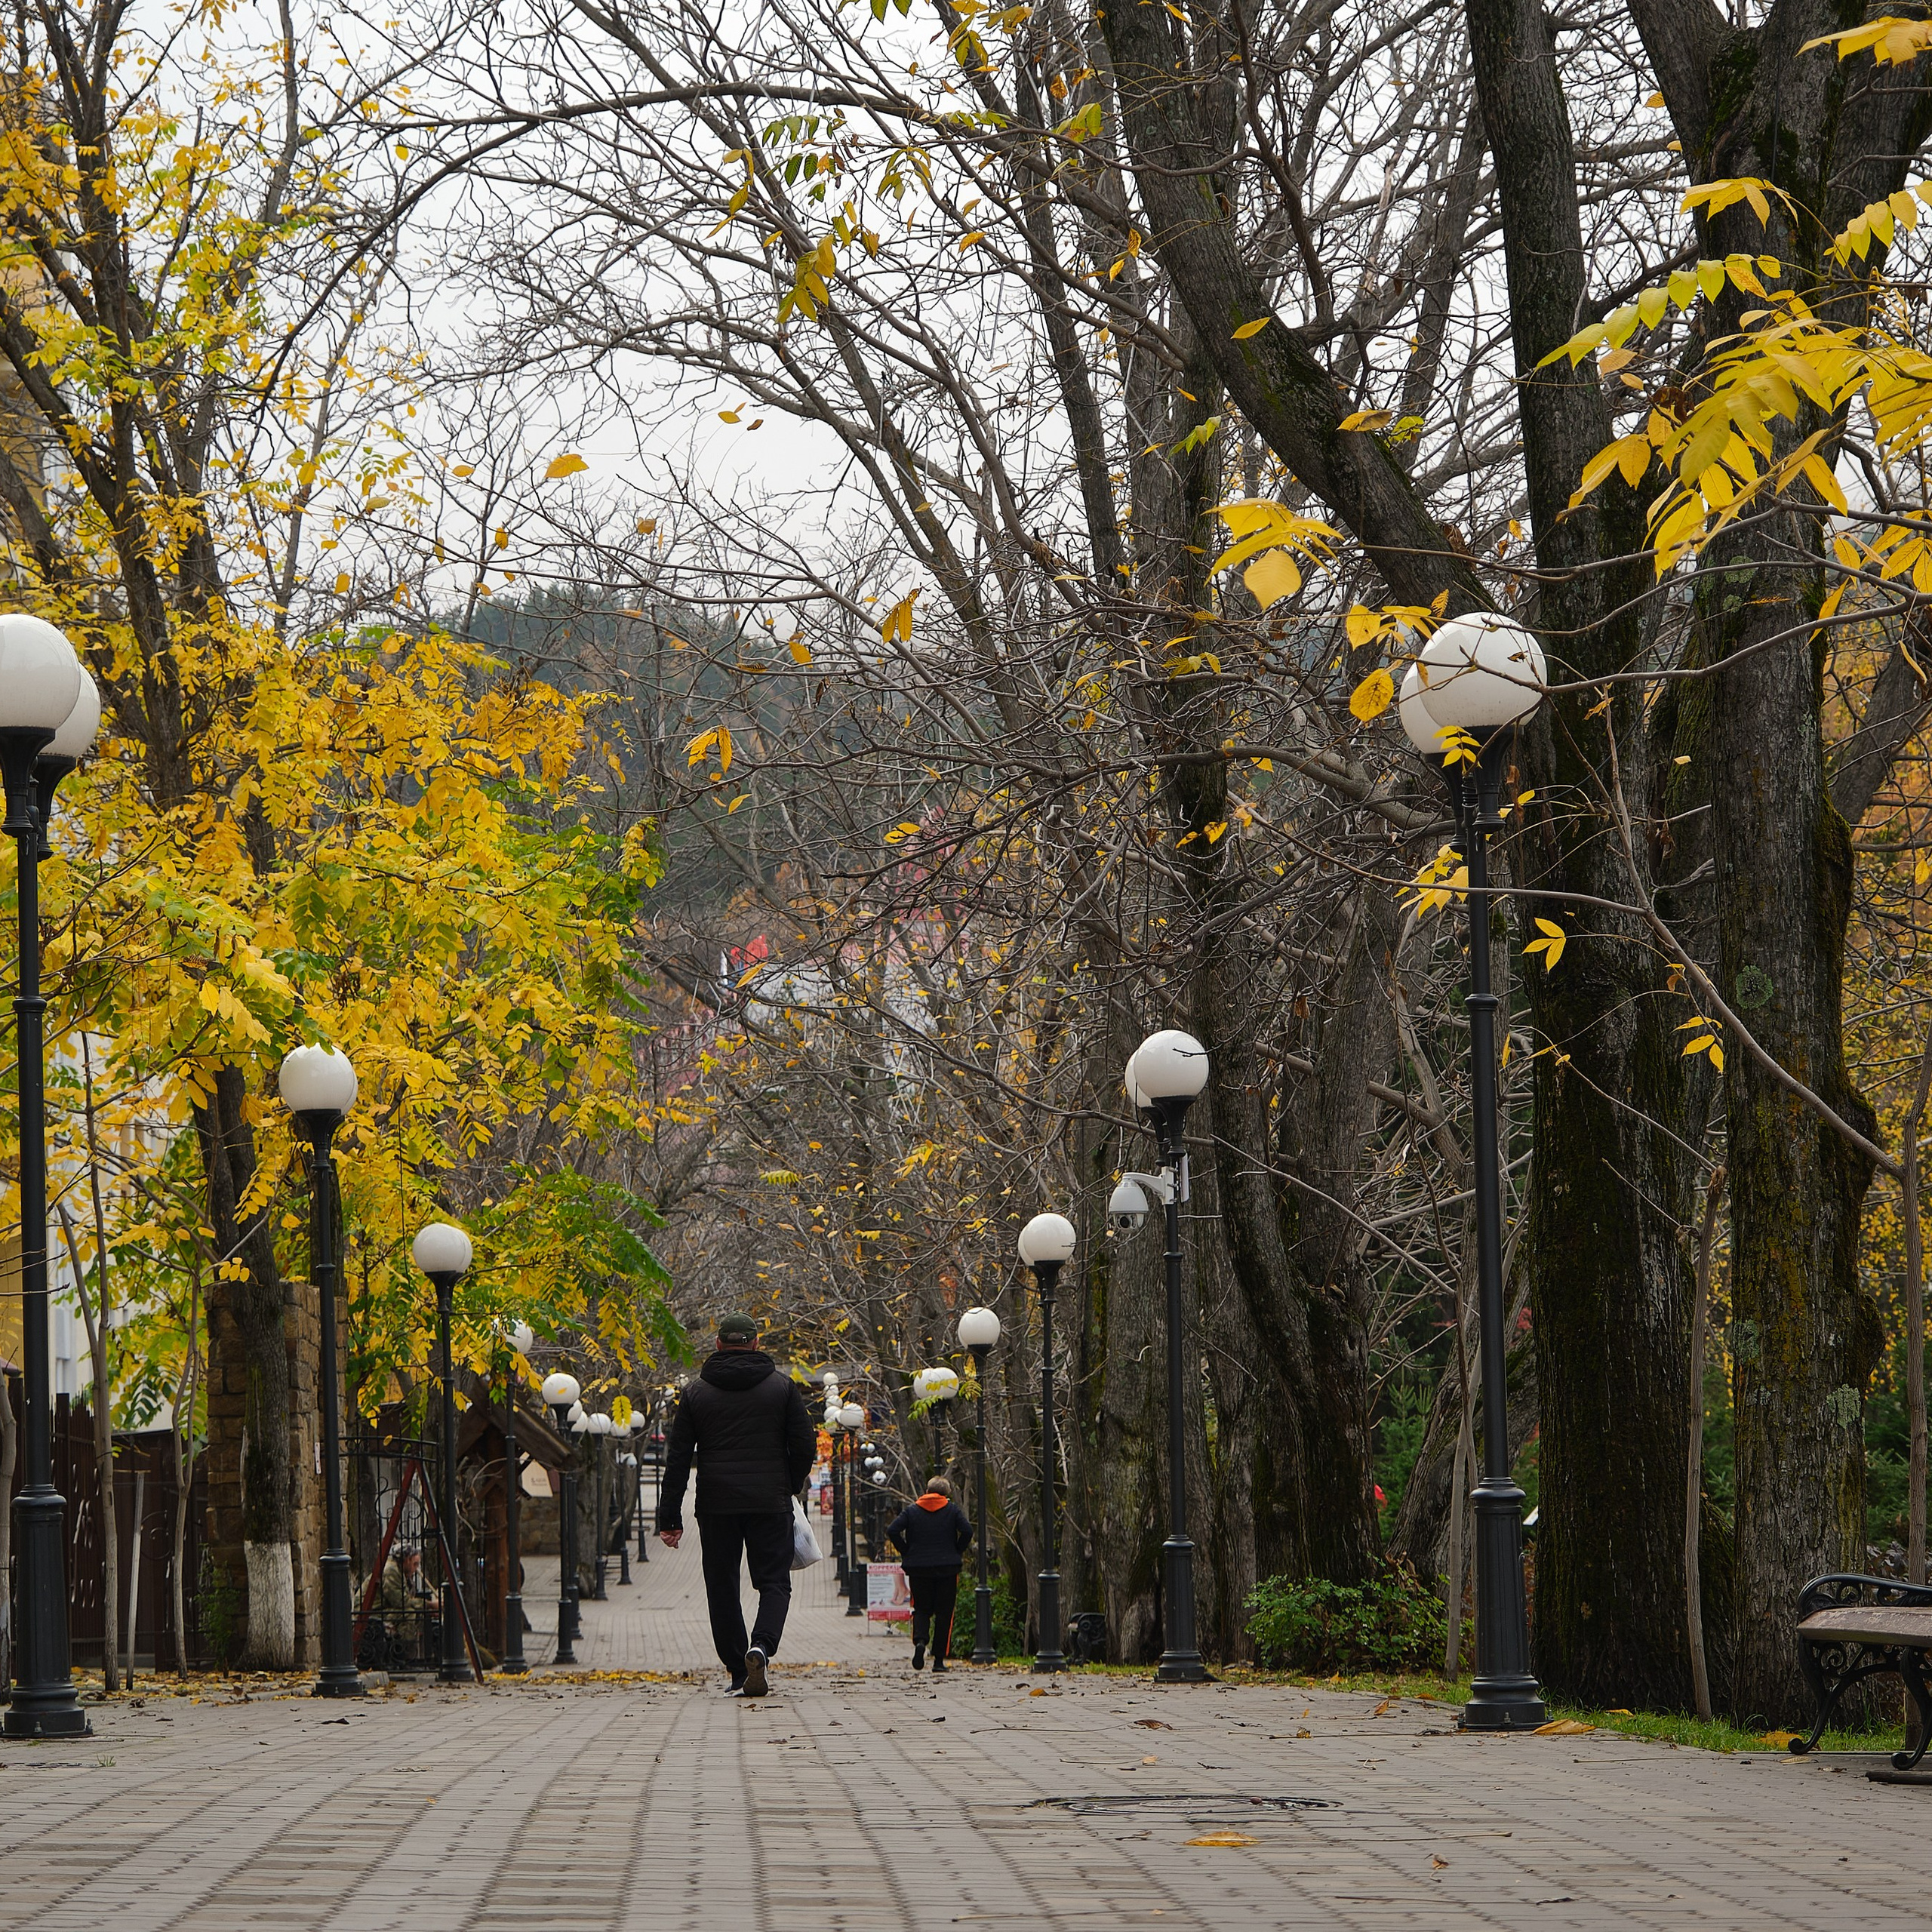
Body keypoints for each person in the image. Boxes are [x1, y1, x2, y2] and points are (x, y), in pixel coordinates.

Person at [657, 1313, 814, 1697]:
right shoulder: (782, 1388)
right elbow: (805, 1445)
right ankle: (760, 1647)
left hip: (716, 1504)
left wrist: (670, 1517)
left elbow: (678, 1457)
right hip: (769, 1502)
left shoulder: (695, 1394)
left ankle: (738, 1672)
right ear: (757, 1343)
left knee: (722, 1587)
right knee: (774, 1582)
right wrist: (789, 1486)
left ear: (718, 1345)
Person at [885, 1476, 973, 1672]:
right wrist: (956, 1551)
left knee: (921, 1609)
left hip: (919, 1569)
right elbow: (967, 1531)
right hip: (947, 1569)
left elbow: (892, 1530)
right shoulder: (952, 1511)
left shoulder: (912, 1511)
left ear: (927, 1490)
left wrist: (907, 1551)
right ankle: (939, 1661)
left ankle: (920, 1642)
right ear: (946, 1494)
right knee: (944, 1614)